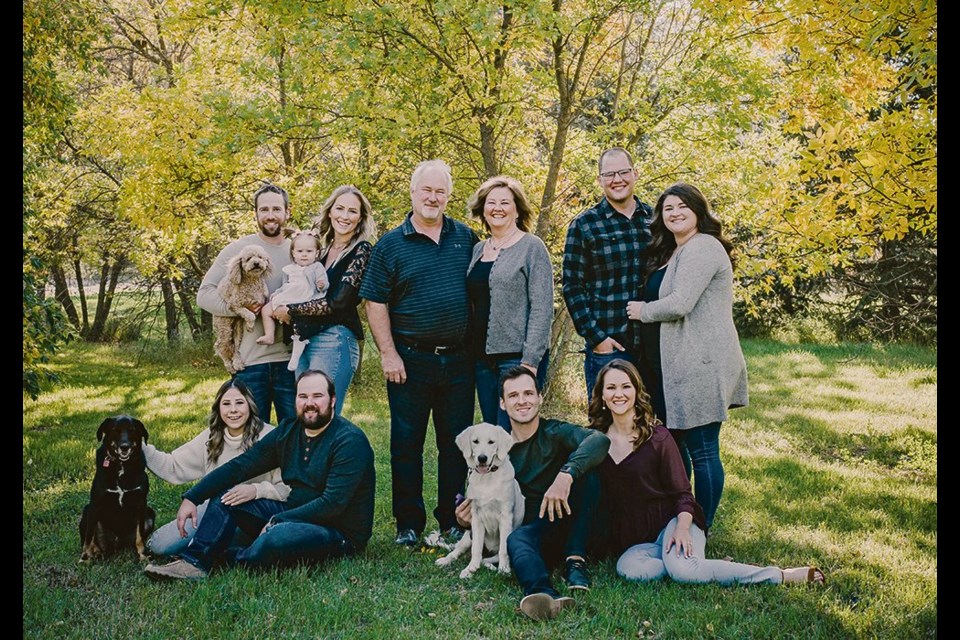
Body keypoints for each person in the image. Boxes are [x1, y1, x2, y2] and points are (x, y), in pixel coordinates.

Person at [588, 359, 824, 586]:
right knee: (630, 570)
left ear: (637, 392)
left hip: (676, 521)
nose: (619, 393)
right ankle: (701, 564)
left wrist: (681, 528)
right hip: (641, 542)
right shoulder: (594, 440)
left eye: (626, 386)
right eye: (611, 387)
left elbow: (683, 494)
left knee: (684, 572)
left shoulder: (657, 437)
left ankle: (780, 575)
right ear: (602, 395)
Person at [143, 370, 376, 580]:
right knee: (228, 496)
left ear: (333, 400)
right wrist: (192, 497)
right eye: (303, 397)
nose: (309, 403)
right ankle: (194, 562)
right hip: (291, 511)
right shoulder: (288, 431)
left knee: (278, 538)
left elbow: (332, 504)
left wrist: (278, 520)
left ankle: (231, 557)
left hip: (336, 530)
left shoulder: (349, 441)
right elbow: (240, 467)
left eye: (318, 396)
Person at [359, 159, 479, 547]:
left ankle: (450, 519)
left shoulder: (467, 238)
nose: (433, 197)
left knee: (456, 444)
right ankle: (408, 524)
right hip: (410, 360)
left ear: (449, 195)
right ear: (412, 193)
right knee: (406, 445)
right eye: (426, 190)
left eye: (440, 191)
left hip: (459, 361)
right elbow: (375, 302)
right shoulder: (391, 245)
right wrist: (388, 353)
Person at [626, 183, 748, 530]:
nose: (675, 213)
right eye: (668, 209)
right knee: (678, 450)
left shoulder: (703, 247)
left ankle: (700, 527)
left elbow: (680, 303)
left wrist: (642, 311)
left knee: (703, 449)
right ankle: (680, 520)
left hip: (702, 364)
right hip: (679, 367)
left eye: (682, 206)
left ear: (698, 211)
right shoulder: (678, 251)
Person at [457, 366, 610, 621]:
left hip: (576, 521)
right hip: (537, 532)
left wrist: (566, 474)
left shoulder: (555, 432)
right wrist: (466, 521)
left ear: (540, 397)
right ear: (503, 404)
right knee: (516, 540)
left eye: (528, 393)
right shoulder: (495, 451)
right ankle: (544, 596)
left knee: (589, 475)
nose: (522, 400)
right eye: (513, 395)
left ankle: (576, 560)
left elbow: (600, 440)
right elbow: (485, 508)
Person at [144, 379, 290, 556]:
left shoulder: (269, 436)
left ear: (250, 406)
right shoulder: (212, 437)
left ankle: (225, 545)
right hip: (213, 509)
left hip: (254, 512)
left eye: (239, 403)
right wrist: (140, 447)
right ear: (218, 408)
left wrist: (256, 490)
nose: (233, 410)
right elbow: (173, 466)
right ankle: (220, 544)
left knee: (224, 542)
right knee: (160, 545)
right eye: (226, 404)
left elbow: (289, 488)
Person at [273, 185, 377, 416]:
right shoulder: (319, 250)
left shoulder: (362, 250)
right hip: (306, 340)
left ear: (360, 218)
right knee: (306, 416)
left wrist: (290, 310)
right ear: (330, 212)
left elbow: (338, 302)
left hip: (335, 340)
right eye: (339, 208)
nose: (344, 216)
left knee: (323, 415)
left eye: (352, 211)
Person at [197, 183, 296, 423]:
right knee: (251, 442)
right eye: (264, 209)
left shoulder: (300, 248)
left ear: (287, 211)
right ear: (256, 214)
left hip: (292, 362)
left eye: (276, 208)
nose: (270, 215)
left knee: (294, 438)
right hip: (251, 363)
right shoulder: (239, 249)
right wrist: (240, 311)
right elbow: (204, 294)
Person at [562, 147, 653, 396]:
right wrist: (597, 338)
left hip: (653, 346)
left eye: (623, 172)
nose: (617, 180)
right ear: (599, 180)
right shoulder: (584, 225)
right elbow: (572, 286)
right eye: (609, 174)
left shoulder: (656, 220)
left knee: (654, 427)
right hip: (609, 347)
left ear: (635, 174)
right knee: (606, 428)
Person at [466, 175, 553, 429]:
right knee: (493, 432)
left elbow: (542, 308)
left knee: (514, 433)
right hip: (482, 359)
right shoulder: (479, 249)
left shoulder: (532, 247)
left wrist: (530, 362)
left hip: (517, 359)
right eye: (491, 203)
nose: (498, 208)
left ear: (517, 209)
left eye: (505, 202)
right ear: (483, 209)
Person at [257, 230, 329, 373]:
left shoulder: (316, 267)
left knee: (299, 329)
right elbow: (285, 285)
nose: (304, 254)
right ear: (293, 253)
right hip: (288, 296)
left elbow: (324, 282)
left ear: (316, 253)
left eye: (309, 251)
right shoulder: (290, 269)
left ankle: (295, 356)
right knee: (266, 310)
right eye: (300, 251)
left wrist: (321, 284)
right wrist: (276, 294)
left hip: (303, 299)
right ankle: (269, 335)